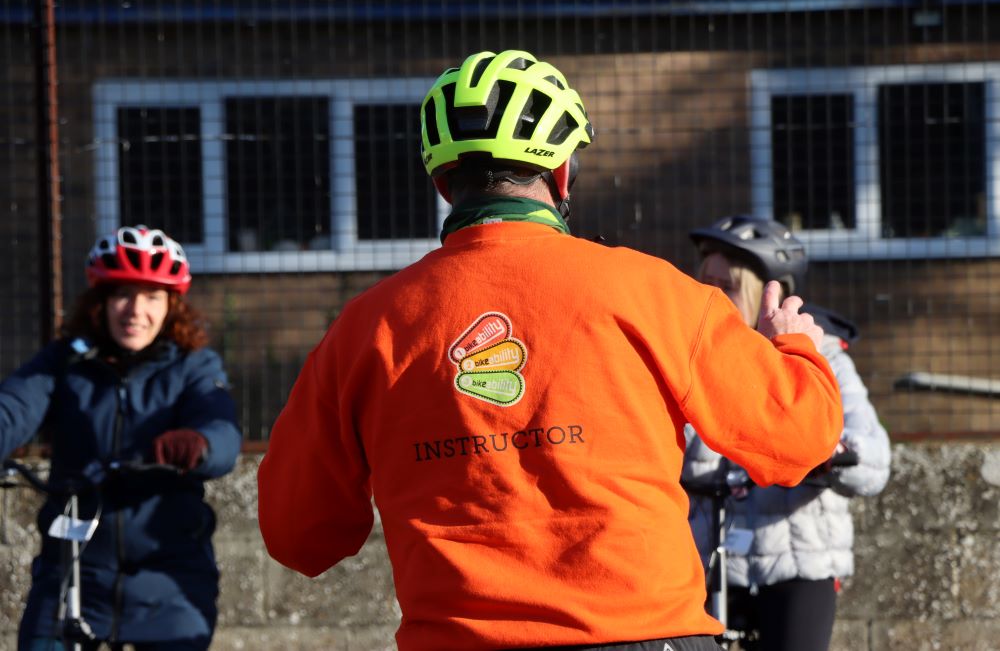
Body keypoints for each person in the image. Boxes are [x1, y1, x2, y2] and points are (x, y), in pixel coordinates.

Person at [257, 49, 844, 651]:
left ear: (443, 182)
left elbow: (298, 535)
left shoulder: (363, 330)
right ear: (562, 173)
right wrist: (794, 348)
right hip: (645, 635)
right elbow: (798, 437)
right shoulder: (654, 291)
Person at [0, 225, 242, 650]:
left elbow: (221, 430)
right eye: (122, 294)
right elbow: (13, 409)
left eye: (152, 297)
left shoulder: (194, 366)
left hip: (168, 575)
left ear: (172, 305)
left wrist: (198, 444)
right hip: (73, 572)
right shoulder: (64, 361)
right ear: (101, 302)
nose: (135, 310)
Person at [682, 215, 892, 651]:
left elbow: (872, 460)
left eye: (729, 286)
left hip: (798, 559)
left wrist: (830, 451)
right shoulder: (692, 356)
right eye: (707, 283)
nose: (713, 296)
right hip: (708, 559)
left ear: (766, 292)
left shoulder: (822, 355)